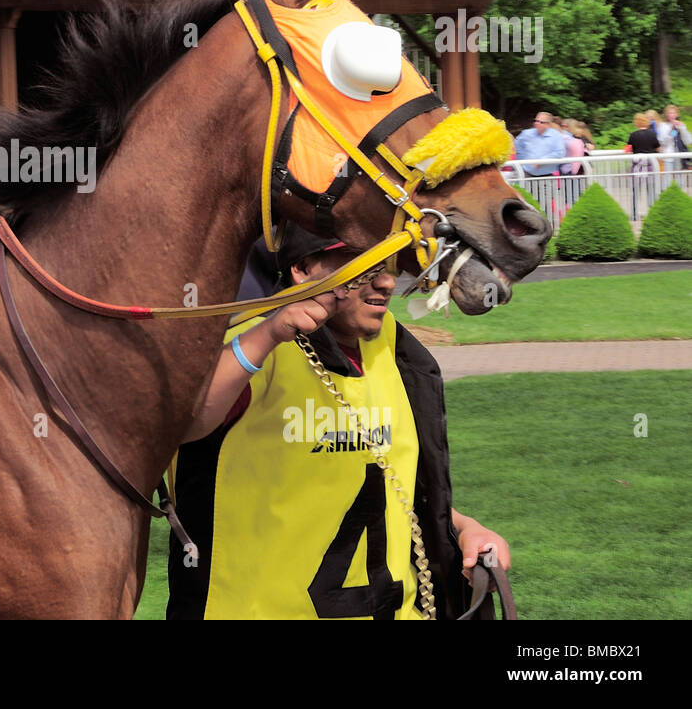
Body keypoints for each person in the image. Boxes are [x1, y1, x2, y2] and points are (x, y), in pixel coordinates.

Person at [168, 227, 509, 619]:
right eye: (363, 264)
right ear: (303, 269)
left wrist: (464, 528)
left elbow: (388, 492)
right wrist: (266, 335)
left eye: (389, 265)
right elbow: (183, 423)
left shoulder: (395, 351)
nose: (385, 281)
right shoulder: (249, 349)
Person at [512, 111, 568, 177]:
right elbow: (517, 147)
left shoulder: (556, 135)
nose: (537, 123)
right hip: (526, 173)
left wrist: (542, 161)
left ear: (548, 124)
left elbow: (560, 152)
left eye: (541, 122)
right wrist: (522, 161)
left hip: (547, 175)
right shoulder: (526, 133)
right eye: (536, 121)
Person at [653, 104, 691, 172]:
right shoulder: (663, 126)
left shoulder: (680, 125)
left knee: (680, 180)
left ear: (677, 114)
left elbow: (688, 141)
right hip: (668, 157)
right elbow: (662, 142)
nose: (672, 115)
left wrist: (682, 129)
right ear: (667, 115)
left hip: (680, 157)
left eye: (674, 113)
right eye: (670, 113)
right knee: (667, 179)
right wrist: (672, 130)